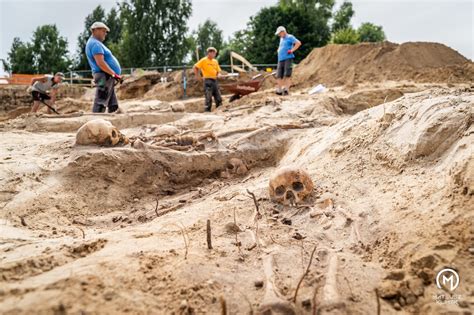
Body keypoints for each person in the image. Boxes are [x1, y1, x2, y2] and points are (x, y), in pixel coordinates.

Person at [85, 21, 123, 113]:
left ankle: (114, 117)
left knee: (112, 103)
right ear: (95, 30)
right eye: (103, 31)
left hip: (106, 76)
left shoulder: (94, 43)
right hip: (104, 76)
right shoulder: (95, 44)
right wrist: (114, 75)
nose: (105, 34)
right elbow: (100, 63)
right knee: (101, 101)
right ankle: (96, 121)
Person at [193, 47, 223, 112]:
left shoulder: (215, 61)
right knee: (208, 97)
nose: (215, 55)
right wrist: (197, 76)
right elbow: (195, 67)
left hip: (215, 81)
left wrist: (219, 74)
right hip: (208, 81)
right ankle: (207, 111)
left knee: (218, 97)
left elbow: (218, 71)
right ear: (209, 53)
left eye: (215, 54)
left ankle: (219, 110)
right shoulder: (204, 60)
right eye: (214, 53)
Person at [274, 26, 301, 95]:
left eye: (279, 33)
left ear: (283, 32)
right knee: (279, 75)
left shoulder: (290, 37)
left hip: (288, 58)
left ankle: (286, 90)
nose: (279, 35)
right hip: (280, 59)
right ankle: (279, 90)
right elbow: (281, 46)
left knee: (287, 74)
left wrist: (292, 50)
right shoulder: (281, 39)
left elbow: (298, 43)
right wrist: (278, 50)